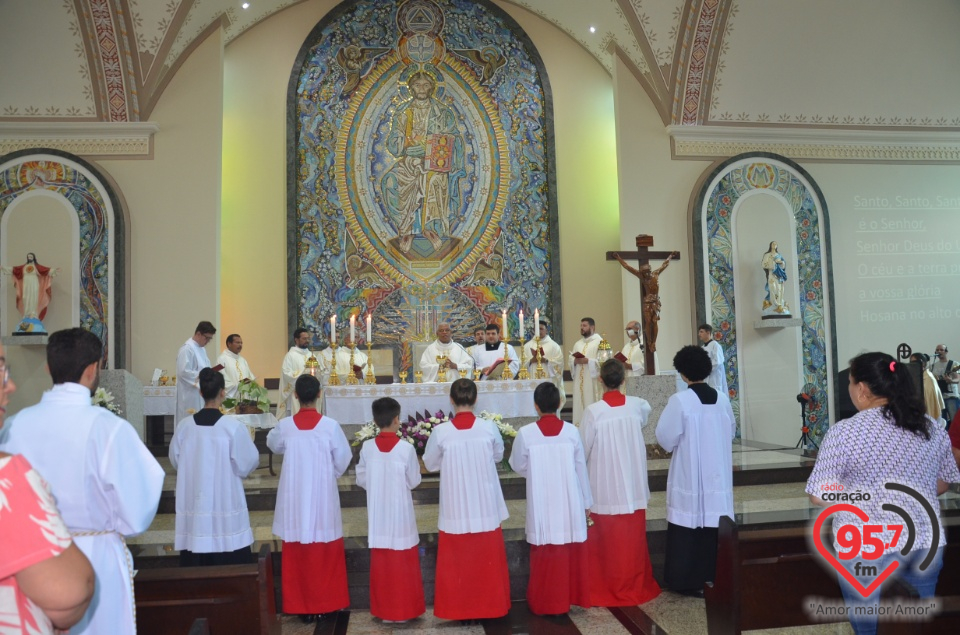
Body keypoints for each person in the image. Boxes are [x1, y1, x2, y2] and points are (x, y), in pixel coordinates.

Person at [0, 327, 164, 635]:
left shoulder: (13, 425)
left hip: (29, 563)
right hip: (96, 561)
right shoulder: (109, 429)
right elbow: (138, 508)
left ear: (49, 368)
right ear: (93, 369)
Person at [806, 352, 960, 635]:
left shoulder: (845, 432)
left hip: (866, 548)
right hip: (925, 544)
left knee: (870, 630)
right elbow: (943, 484)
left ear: (862, 389)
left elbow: (819, 494)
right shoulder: (930, 427)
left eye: (850, 383)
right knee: (915, 627)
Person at [0, 340, 95, 635]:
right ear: (93, 370)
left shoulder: (19, 422)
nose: (11, 386)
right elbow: (68, 592)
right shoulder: (6, 475)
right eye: (2, 371)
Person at [422, 379, 510, 620]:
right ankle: (489, 606)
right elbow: (498, 455)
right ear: (475, 399)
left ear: (451, 399)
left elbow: (429, 464)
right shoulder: (488, 427)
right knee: (485, 559)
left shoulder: (441, 432)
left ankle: (460, 609)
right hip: (484, 502)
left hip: (456, 503)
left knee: (458, 561)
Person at [267, 374, 351, 620]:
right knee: (325, 550)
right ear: (318, 395)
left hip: (294, 498)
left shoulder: (285, 426)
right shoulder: (330, 426)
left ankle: (301, 606)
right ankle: (328, 602)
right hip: (322, 496)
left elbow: (274, 445)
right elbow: (344, 459)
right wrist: (329, 475)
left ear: (295, 395)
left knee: (297, 553)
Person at [655, 345, 735, 597]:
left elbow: (665, 438)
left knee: (688, 527)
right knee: (713, 525)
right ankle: (711, 577)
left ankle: (685, 581)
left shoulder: (680, 400)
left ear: (683, 373)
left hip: (689, 476)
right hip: (718, 476)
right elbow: (731, 432)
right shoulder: (722, 399)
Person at [580, 360, 660, 606]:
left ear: (600, 380)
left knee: (606, 543)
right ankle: (633, 585)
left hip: (603, 486)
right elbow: (643, 420)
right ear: (624, 380)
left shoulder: (594, 412)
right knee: (631, 543)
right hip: (632, 485)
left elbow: (582, 450)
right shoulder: (638, 406)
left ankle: (603, 588)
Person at [509, 382, 592, 615]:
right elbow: (580, 469)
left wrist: (536, 474)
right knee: (568, 549)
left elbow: (517, 465)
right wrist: (586, 503)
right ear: (559, 404)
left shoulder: (526, 434)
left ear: (536, 406)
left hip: (542, 503)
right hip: (569, 502)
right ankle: (569, 597)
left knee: (545, 552)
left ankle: (546, 601)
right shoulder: (571, 432)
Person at [169, 368, 259, 566]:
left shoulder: (184, 427)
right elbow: (248, 461)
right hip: (225, 501)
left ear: (200, 393)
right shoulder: (232, 427)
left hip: (194, 501)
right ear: (223, 392)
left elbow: (175, 460)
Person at [355, 397, 425, 623]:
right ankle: (404, 610)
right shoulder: (406, 448)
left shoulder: (367, 447)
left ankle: (385, 611)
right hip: (401, 514)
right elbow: (414, 481)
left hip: (378, 513)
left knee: (383, 562)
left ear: (375, 421)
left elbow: (362, 478)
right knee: (403, 560)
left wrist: (379, 485)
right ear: (397, 420)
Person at [381, 70, 464, 254]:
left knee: (432, 180)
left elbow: (455, 138)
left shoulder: (442, 113)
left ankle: (429, 229)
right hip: (409, 162)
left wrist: (431, 145)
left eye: (426, 85)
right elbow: (393, 143)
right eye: (417, 85)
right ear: (410, 88)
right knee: (389, 181)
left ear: (432, 88)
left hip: (434, 163)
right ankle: (408, 230)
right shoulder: (403, 113)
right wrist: (407, 142)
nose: (421, 88)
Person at [613, 251, 677, 352]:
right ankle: (649, 341)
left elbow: (664, 265)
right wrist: (618, 258)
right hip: (647, 302)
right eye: (644, 273)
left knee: (654, 321)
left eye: (647, 272)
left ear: (650, 270)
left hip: (656, 302)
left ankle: (653, 342)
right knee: (648, 321)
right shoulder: (641, 277)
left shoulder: (655, 274)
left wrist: (670, 256)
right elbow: (627, 267)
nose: (646, 274)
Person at [1, 253, 60, 332]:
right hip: (26, 284)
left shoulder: (36, 267)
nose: (30, 258)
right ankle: (26, 314)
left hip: (34, 284)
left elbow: (45, 270)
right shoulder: (23, 267)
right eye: (28, 257)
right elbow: (14, 269)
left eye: (31, 256)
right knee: (25, 298)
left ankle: (33, 314)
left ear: (34, 258)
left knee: (33, 298)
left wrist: (55, 270)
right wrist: (3, 267)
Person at [176, 321, 215, 424]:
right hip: (190, 395)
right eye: (207, 338)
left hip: (201, 393)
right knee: (190, 422)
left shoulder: (202, 350)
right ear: (198, 334)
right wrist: (204, 376)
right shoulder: (187, 349)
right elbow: (183, 373)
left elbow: (206, 368)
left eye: (210, 339)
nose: (208, 341)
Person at [523, 319, 565, 408]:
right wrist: (531, 361)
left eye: (541, 329)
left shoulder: (554, 346)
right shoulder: (527, 346)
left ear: (546, 330)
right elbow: (521, 363)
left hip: (548, 381)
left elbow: (559, 363)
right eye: (536, 329)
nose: (539, 331)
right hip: (532, 381)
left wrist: (546, 361)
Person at [568, 317, 602, 425]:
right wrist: (574, 361)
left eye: (584, 326)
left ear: (592, 327)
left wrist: (588, 361)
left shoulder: (599, 342)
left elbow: (603, 362)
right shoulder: (578, 344)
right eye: (581, 325)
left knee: (590, 403)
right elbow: (571, 359)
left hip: (591, 382)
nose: (582, 328)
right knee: (579, 405)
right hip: (579, 381)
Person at [278, 328, 313, 418]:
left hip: (311, 394)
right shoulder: (290, 355)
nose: (307, 341)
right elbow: (286, 374)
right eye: (304, 339)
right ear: (296, 340)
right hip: (296, 395)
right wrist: (304, 372)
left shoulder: (311, 355)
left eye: (308, 338)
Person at [218, 333, 256, 400]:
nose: (240, 345)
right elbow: (220, 378)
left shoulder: (243, 360)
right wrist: (237, 386)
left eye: (241, 343)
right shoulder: (221, 359)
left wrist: (251, 381)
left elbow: (250, 376)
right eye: (237, 342)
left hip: (245, 397)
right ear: (229, 344)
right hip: (231, 397)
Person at [910, 353, 944, 425]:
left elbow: (928, 403)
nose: (911, 365)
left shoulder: (928, 379)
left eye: (914, 362)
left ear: (922, 364)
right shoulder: (921, 376)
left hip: (930, 420)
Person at [697, 324, 728, 396]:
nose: (699, 334)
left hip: (714, 378)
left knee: (716, 396)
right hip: (704, 378)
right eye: (699, 332)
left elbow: (718, 362)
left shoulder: (715, 345)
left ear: (708, 333)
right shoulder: (702, 348)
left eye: (701, 332)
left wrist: (706, 370)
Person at [761, 241, 790, 315]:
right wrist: (773, 263)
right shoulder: (767, 255)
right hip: (771, 274)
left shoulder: (779, 255)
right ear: (770, 245)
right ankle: (774, 305)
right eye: (773, 244)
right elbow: (764, 264)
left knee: (779, 289)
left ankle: (779, 305)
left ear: (777, 246)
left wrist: (781, 263)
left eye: (775, 244)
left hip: (779, 276)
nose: (774, 245)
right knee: (773, 288)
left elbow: (783, 265)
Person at [932, 344, 958, 423]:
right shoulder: (932, 366)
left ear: (946, 352)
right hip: (939, 398)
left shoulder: (954, 364)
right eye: (937, 350)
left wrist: (951, 380)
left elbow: (958, 379)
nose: (939, 351)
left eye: (941, 350)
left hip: (951, 397)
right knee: (941, 423)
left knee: (955, 422)